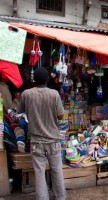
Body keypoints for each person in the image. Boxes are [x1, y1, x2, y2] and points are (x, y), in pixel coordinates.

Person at [17, 67, 66, 200]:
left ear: (34, 79)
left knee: (39, 172)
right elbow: (61, 116)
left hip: (36, 142)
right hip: (53, 141)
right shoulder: (54, 94)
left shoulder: (26, 94)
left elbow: (19, 111)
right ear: (47, 79)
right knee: (57, 171)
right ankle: (60, 197)